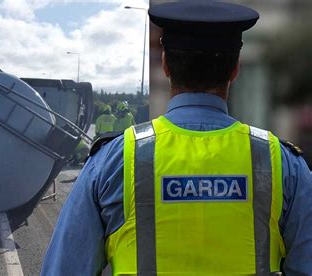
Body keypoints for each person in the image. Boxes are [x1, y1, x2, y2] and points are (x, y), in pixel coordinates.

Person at [41, 1, 312, 275]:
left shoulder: (113, 161)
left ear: (166, 64)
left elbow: (64, 269)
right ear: (235, 70)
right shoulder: (282, 164)